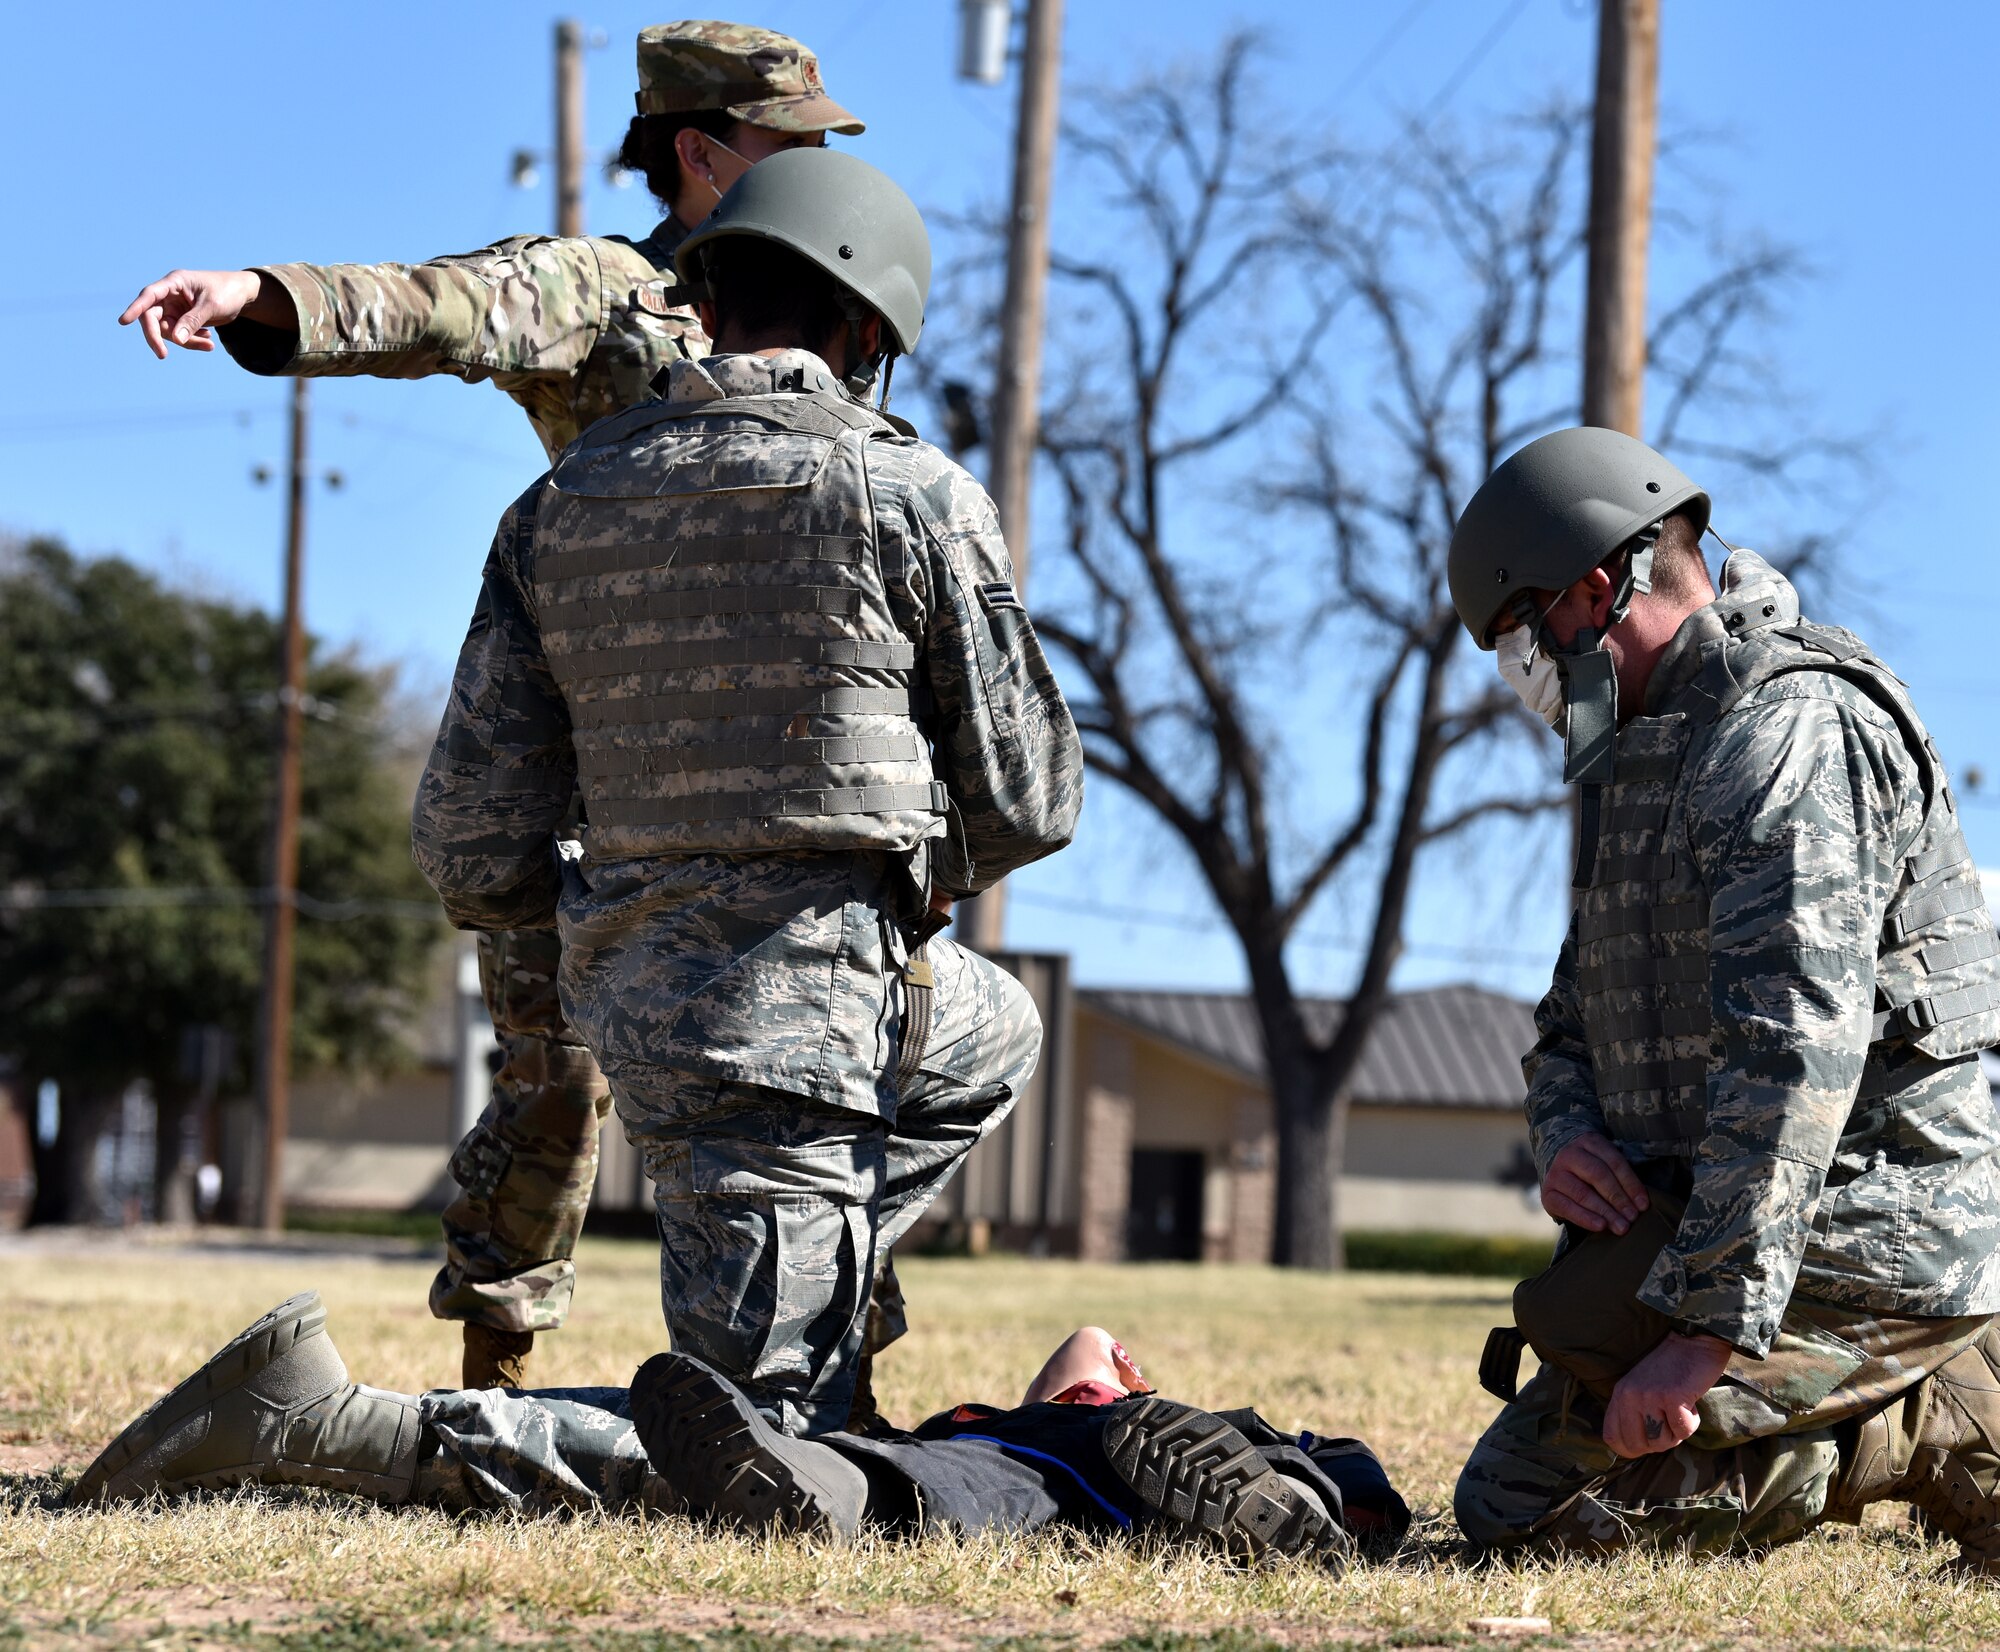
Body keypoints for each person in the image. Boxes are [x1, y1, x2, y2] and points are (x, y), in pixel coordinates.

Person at [113, 22, 900, 1397]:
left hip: (773, 774)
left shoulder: (820, 294)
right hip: (597, 760)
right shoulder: (604, 292)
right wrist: (261, 294)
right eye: (793, 140)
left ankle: (826, 1389)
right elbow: (435, 305)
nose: (821, 165)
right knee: (557, 1076)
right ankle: (497, 1378)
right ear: (703, 153)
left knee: (812, 1074)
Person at [410, 146, 1082, 1439]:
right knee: (770, 1443)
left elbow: (467, 839)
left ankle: (821, 1266)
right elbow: (1033, 795)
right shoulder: (907, 492)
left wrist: (626, 916)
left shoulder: (555, 507)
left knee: (992, 1030)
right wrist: (923, 875)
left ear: (703, 306)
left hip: (644, 1012)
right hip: (816, 1015)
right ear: (867, 325)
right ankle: (346, 1432)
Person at [1445, 426, 2000, 1562]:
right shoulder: (1640, 752)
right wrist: (1566, 1135)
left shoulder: (1787, 732)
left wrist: (1700, 1338)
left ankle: (1933, 1407)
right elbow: (1566, 1022)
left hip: (1870, 1224)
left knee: (1553, 1524)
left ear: (1595, 588)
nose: (1517, 668)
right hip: (1721, 1225)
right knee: (1501, 1493)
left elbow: (1786, 1062)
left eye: (1517, 630)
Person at [69, 1291, 1405, 1566]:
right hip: (1058, 1458)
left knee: (896, 1481)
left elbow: (1091, 1352)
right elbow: (1092, 1352)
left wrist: (1111, 1382)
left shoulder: (1061, 1422)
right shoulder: (1069, 1416)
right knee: (889, 1470)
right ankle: (348, 1422)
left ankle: (335, 1423)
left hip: (1032, 1468)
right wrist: (1110, 1386)